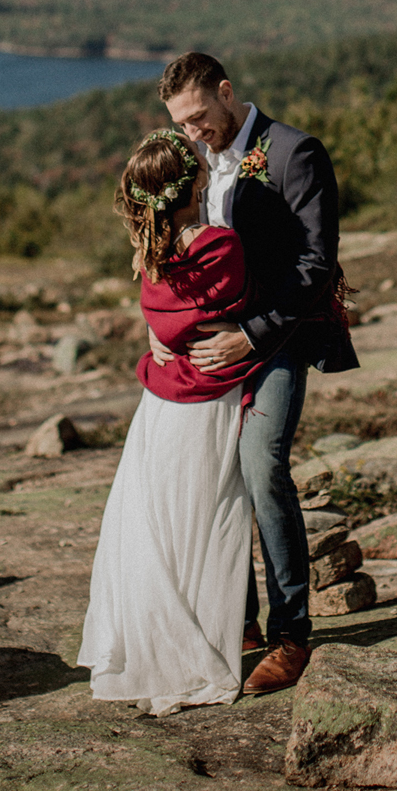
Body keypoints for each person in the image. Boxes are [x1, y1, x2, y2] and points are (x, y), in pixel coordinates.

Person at [154, 50, 359, 696]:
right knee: (209, 471)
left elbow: (316, 265)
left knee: (262, 464)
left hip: (278, 338)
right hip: (208, 349)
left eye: (198, 117)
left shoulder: (294, 152)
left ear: (226, 91)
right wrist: (163, 331)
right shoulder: (192, 160)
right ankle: (235, 616)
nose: (192, 132)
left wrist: (251, 336)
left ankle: (292, 634)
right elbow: (168, 247)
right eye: (180, 125)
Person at [75, 128, 257, 715]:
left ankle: (161, 646)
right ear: (196, 181)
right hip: (204, 402)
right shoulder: (220, 245)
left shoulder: (153, 251)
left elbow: (169, 320)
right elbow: (206, 316)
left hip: (159, 404)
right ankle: (192, 649)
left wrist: (162, 332)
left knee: (157, 524)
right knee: (205, 523)